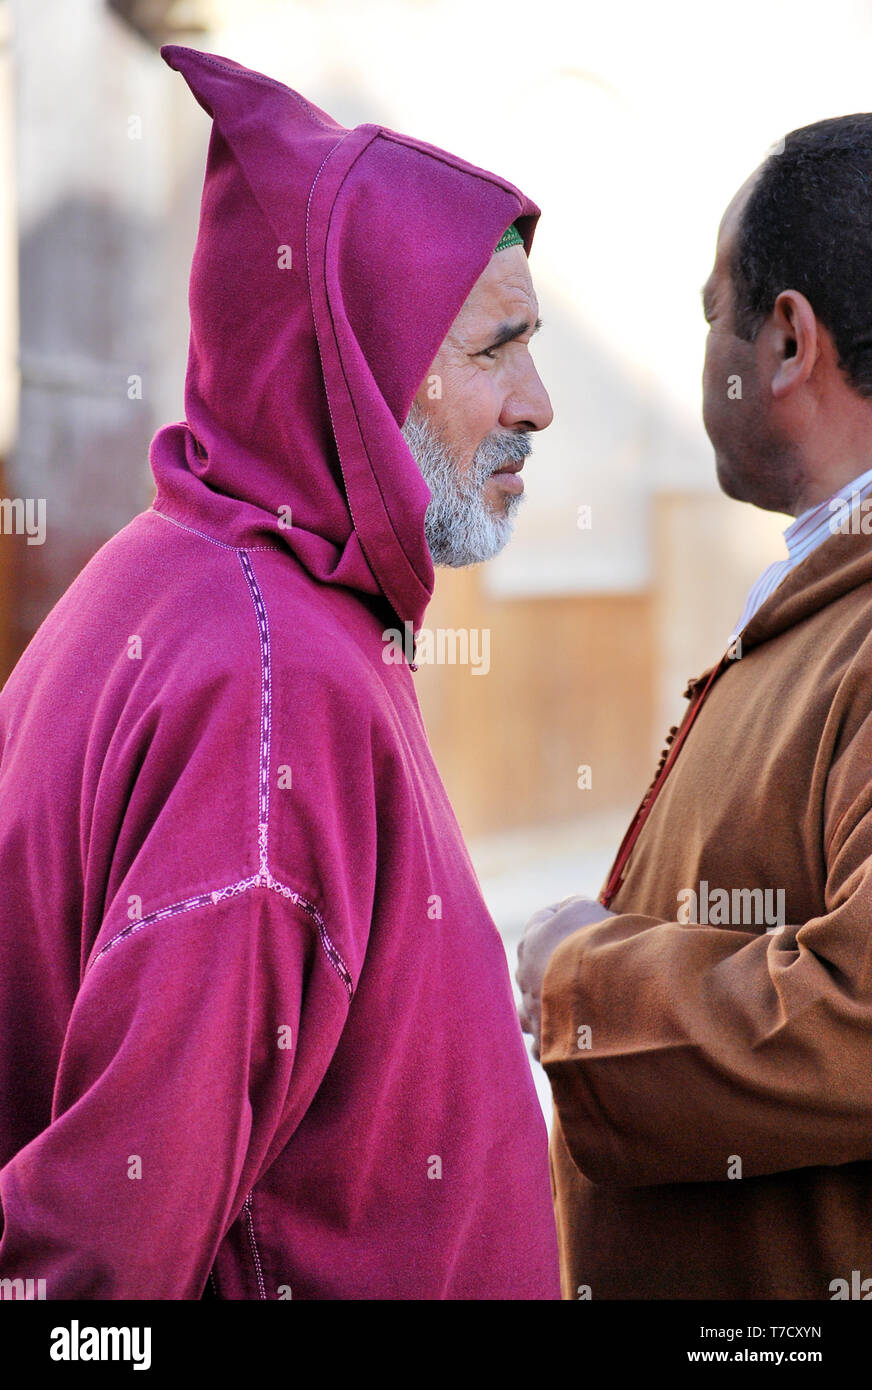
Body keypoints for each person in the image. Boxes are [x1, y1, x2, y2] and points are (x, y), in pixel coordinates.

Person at [0, 44, 558, 1300]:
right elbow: (106, 1259)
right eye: (493, 349)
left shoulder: (223, 576)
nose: (537, 401)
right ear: (353, 365)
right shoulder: (271, 680)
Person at [517, 114, 872, 1301]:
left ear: (782, 342)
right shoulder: (828, 580)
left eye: (708, 310)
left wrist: (582, 977)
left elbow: (857, 1017)